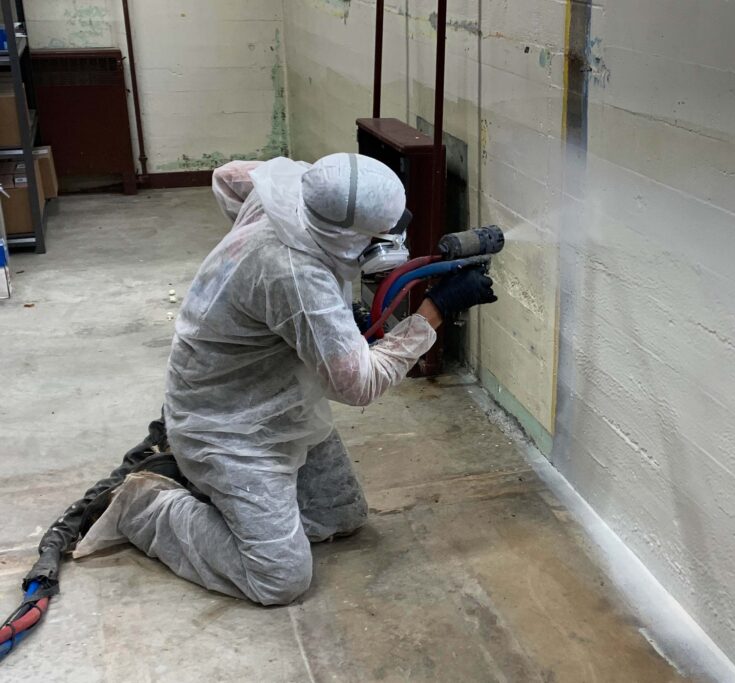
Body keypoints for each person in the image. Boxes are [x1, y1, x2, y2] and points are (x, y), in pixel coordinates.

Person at [73, 154, 497, 605]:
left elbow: (228, 179)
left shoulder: (293, 191)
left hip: (280, 402)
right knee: (279, 577)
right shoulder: (297, 276)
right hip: (227, 427)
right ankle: (147, 509)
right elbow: (357, 386)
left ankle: (233, 501)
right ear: (343, 236)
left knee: (339, 515)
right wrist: (434, 312)